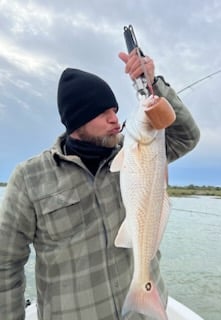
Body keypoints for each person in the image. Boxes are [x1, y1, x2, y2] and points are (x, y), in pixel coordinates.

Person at [0, 50, 200, 320]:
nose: (115, 119)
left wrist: (154, 84)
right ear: (77, 121)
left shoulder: (134, 154)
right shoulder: (29, 178)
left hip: (146, 310)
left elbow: (187, 136)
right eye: (102, 113)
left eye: (115, 111)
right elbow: (6, 262)